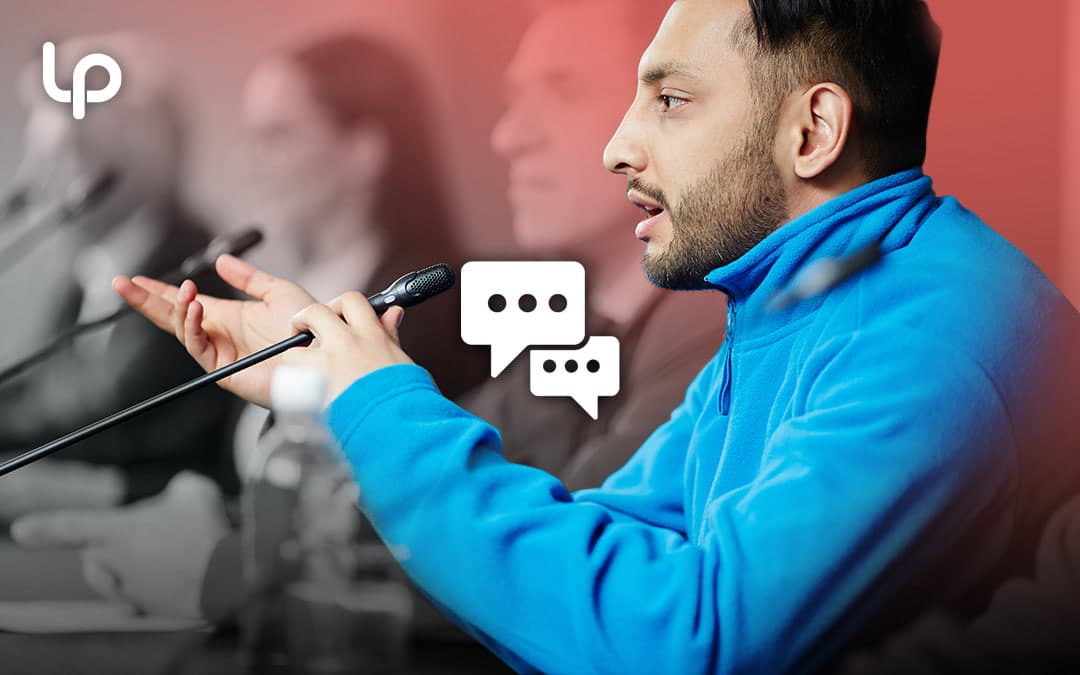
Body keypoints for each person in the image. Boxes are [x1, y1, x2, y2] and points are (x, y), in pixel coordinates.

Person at [30, 1, 1080, 671]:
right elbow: (597, 537)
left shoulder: (930, 337)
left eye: (669, 101)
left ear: (811, 131)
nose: (621, 145)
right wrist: (339, 380)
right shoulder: (798, 301)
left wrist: (371, 398)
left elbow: (674, 646)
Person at [13, 2, 726, 628]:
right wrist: (220, 531)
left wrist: (236, 564)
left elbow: (570, 564)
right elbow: (435, 493)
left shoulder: (705, 329)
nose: (510, 138)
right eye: (511, 100)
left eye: (563, 90)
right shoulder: (579, 328)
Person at [0, 33, 237, 518]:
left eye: (63, 154)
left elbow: (99, 427)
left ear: (127, 157)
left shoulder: (195, 276)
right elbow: (40, 399)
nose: (37, 181)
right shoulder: (85, 278)